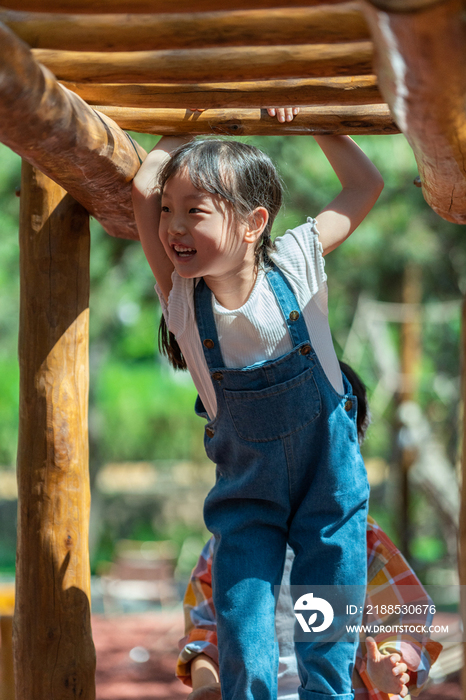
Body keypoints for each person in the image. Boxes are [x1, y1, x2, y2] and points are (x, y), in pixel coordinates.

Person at [132, 108, 384, 700]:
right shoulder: (178, 294)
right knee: (243, 639)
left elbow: (364, 186)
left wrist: (313, 121)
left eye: (194, 210)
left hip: (331, 492)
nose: (171, 225)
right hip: (246, 499)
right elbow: (145, 184)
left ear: (253, 224)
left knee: (329, 640)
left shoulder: (295, 263)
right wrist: (193, 117)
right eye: (169, 211)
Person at [176, 363, 442, 700]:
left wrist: (392, 665)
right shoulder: (228, 545)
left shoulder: (362, 540)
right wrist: (208, 685)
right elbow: (205, 632)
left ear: (349, 454)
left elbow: (409, 614)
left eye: (315, 452)